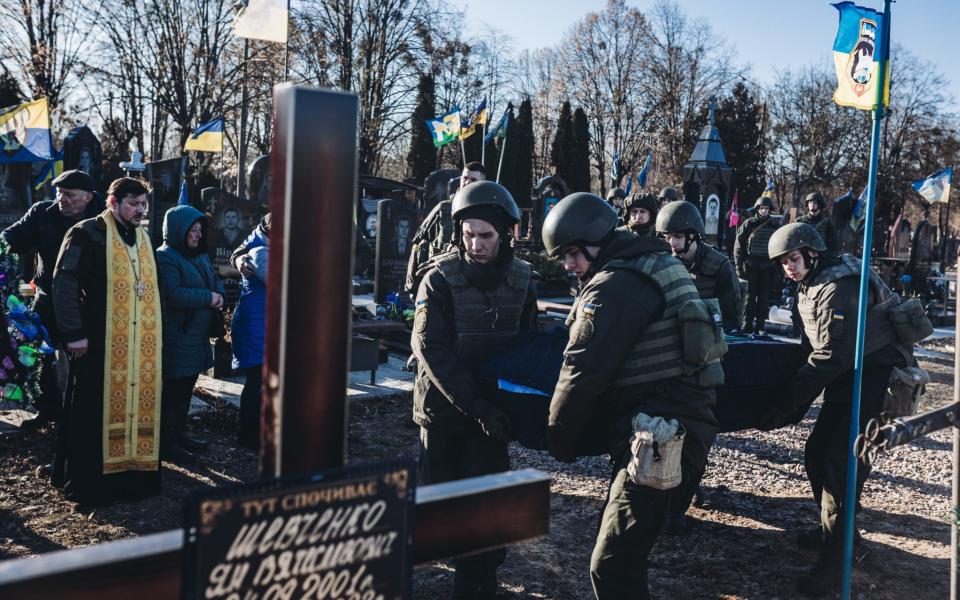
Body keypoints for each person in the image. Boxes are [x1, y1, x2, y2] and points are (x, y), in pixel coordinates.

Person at [542, 192, 721, 599]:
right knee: (628, 551)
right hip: (673, 426)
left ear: (598, 240)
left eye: (572, 253)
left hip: (661, 437)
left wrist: (559, 440)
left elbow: (581, 374)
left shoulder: (616, 284)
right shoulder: (653, 261)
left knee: (611, 565)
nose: (569, 265)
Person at [759, 222, 917, 596]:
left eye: (793, 259)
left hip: (875, 377)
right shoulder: (811, 283)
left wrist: (785, 406)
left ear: (812, 254)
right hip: (852, 374)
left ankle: (837, 559)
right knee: (817, 454)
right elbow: (811, 347)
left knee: (840, 463)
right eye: (783, 263)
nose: (788, 268)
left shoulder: (839, 286)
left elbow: (830, 357)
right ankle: (838, 533)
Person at [412, 181, 537, 599]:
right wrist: (479, 407)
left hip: (492, 417)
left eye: (486, 235)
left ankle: (478, 581)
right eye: (468, 235)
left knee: (483, 507)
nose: (476, 244)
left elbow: (528, 344)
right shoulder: (438, 280)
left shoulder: (522, 279)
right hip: (446, 411)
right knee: (437, 502)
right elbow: (432, 350)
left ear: (505, 234)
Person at [51, 177, 162, 505]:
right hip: (97, 343)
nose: (140, 210)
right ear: (112, 203)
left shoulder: (143, 236)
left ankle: (130, 481)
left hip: (138, 345)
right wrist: (74, 334)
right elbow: (65, 283)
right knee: (91, 413)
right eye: (133, 203)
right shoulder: (86, 233)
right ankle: (90, 486)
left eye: (144, 204)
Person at [2, 169, 101, 429]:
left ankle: (80, 416)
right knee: (37, 357)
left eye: (69, 195)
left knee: (84, 361)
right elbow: (12, 239)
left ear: (89, 197)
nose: (62, 199)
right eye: (59, 193)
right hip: (46, 299)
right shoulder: (42, 213)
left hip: (85, 303)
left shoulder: (103, 218)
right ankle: (48, 410)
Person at [156, 205, 224, 462]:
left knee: (185, 390)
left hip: (195, 336)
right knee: (174, 393)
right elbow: (172, 293)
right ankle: (166, 444)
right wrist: (209, 298)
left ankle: (178, 435)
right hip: (178, 336)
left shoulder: (198, 255)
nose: (197, 235)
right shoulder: (166, 257)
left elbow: (214, 280)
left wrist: (218, 295)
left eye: (199, 230)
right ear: (177, 230)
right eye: (192, 230)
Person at [656, 200, 742, 330]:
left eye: (678, 236)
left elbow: (731, 319)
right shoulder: (663, 262)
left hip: (706, 336)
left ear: (693, 235)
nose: (672, 243)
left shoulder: (719, 265)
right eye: (667, 237)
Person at [404, 162, 486, 295]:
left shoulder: (489, 212)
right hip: (442, 282)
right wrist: (412, 286)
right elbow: (419, 244)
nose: (467, 183)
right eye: (465, 178)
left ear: (482, 184)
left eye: (473, 180)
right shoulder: (444, 209)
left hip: (476, 285)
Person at [231, 214, 270, 450]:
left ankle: (257, 433)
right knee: (257, 382)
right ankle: (249, 436)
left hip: (261, 322)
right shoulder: (260, 253)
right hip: (258, 325)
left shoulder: (259, 243)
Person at [735, 196, 779, 334]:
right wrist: (738, 266)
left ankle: (760, 327)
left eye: (766, 208)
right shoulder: (749, 224)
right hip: (751, 265)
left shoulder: (775, 226)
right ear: (757, 209)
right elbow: (739, 247)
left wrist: (778, 269)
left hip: (767, 266)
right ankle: (746, 325)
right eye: (762, 208)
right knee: (749, 298)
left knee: (764, 299)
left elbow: (779, 248)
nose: (764, 211)